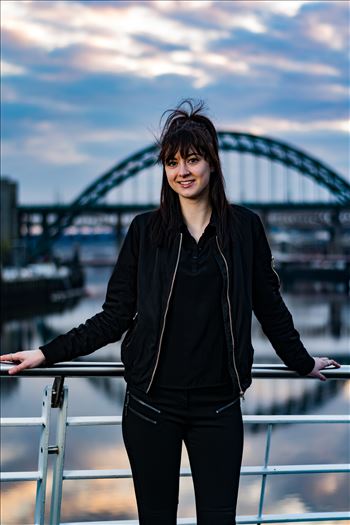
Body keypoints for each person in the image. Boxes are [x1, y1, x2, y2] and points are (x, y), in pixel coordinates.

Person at [1, 99, 341, 525]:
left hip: (218, 407)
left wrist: (301, 361)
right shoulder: (145, 231)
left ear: (212, 164)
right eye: (171, 162)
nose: (182, 171)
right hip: (150, 408)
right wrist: (46, 353)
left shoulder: (244, 229)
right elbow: (114, 317)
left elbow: (268, 305)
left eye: (193, 160)